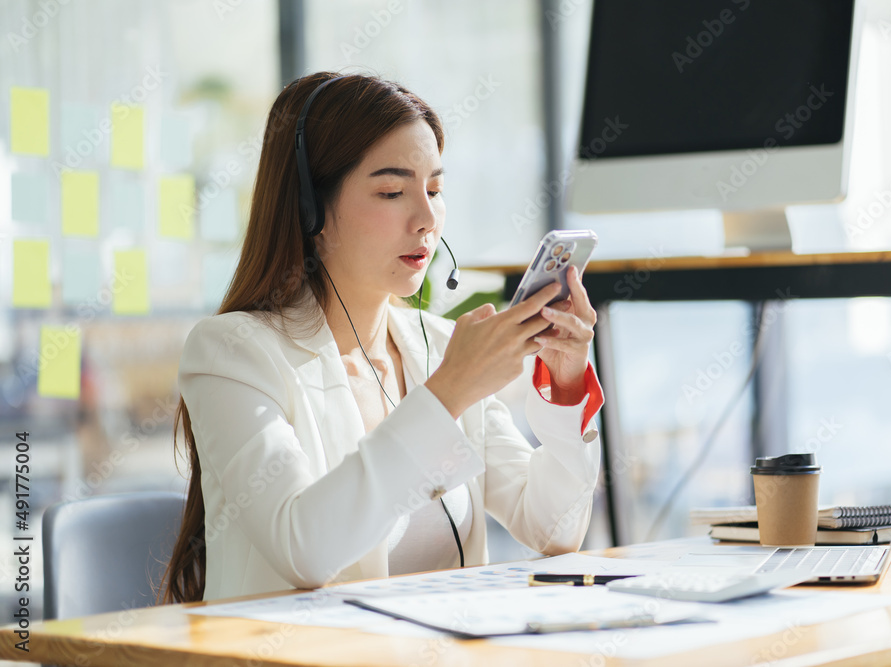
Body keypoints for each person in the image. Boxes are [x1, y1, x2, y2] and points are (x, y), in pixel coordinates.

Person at [162, 72, 605, 603]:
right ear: (311, 209)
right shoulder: (231, 353)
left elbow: (553, 528)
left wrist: (565, 382)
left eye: (435, 189)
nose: (426, 219)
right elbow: (304, 549)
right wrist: (450, 392)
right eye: (393, 191)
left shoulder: (440, 349)